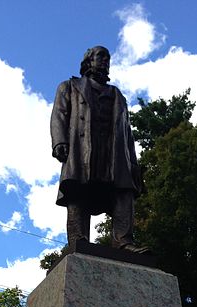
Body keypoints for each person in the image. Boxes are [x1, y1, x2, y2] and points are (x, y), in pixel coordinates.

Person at [51, 46, 147, 253]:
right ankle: (78, 239)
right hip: (82, 148)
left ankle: (123, 241)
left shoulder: (117, 95)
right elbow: (59, 114)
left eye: (108, 58)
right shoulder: (70, 86)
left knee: (125, 191)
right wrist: (59, 141)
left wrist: (134, 164)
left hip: (114, 152)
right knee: (78, 189)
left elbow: (127, 133)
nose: (105, 61)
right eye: (100, 56)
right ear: (89, 61)